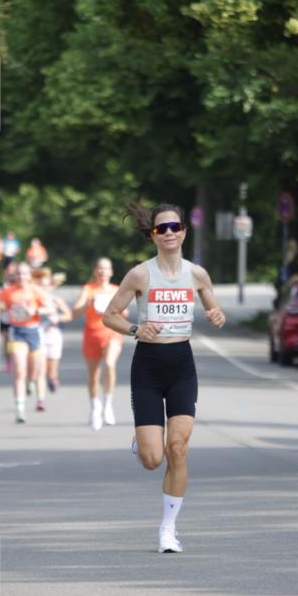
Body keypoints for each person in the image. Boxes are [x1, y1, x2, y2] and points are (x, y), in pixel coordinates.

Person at [102, 203, 226, 554]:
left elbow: (213, 307)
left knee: (178, 449)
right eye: (161, 229)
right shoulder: (140, 275)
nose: (169, 233)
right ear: (153, 236)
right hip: (147, 367)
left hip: (181, 366)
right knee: (152, 459)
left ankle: (168, 529)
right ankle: (142, 441)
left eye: (174, 226)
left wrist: (216, 314)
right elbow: (108, 315)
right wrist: (135, 329)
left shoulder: (197, 274)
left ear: (184, 231)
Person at [71, 258, 126, 430]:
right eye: (100, 269)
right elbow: (74, 313)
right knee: (93, 376)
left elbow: (123, 312)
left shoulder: (116, 290)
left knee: (110, 364)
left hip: (112, 333)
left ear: (111, 272)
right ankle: (96, 407)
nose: (103, 272)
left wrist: (118, 311)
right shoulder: (88, 290)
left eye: (106, 269)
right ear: (95, 271)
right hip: (92, 335)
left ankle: (108, 404)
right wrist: (87, 304)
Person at [0, 262, 48, 423]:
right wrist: (6, 309)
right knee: (19, 372)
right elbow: (1, 308)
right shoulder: (7, 292)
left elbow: (50, 309)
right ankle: (20, 409)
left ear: (30, 276)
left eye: (24, 274)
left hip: (33, 331)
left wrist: (35, 311)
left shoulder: (36, 291)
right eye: (18, 274)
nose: (21, 277)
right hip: (16, 331)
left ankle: (32, 382)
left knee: (33, 372)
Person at [32, 268, 72, 407]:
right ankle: (40, 400)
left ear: (50, 283)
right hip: (37, 335)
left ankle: (53, 379)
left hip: (53, 335)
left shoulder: (56, 299)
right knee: (40, 369)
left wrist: (58, 317)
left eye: (45, 283)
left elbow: (69, 315)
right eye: (39, 283)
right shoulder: (31, 299)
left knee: (51, 372)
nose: (42, 286)